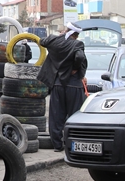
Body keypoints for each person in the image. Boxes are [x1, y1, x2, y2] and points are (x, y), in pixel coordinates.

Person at [37, 22, 87, 152]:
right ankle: (72, 146)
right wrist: (75, 68)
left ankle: (57, 146)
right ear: (76, 35)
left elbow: (43, 41)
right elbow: (80, 56)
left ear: (66, 30)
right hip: (74, 85)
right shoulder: (77, 44)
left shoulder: (54, 41)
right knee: (74, 116)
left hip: (58, 84)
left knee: (56, 115)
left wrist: (58, 36)